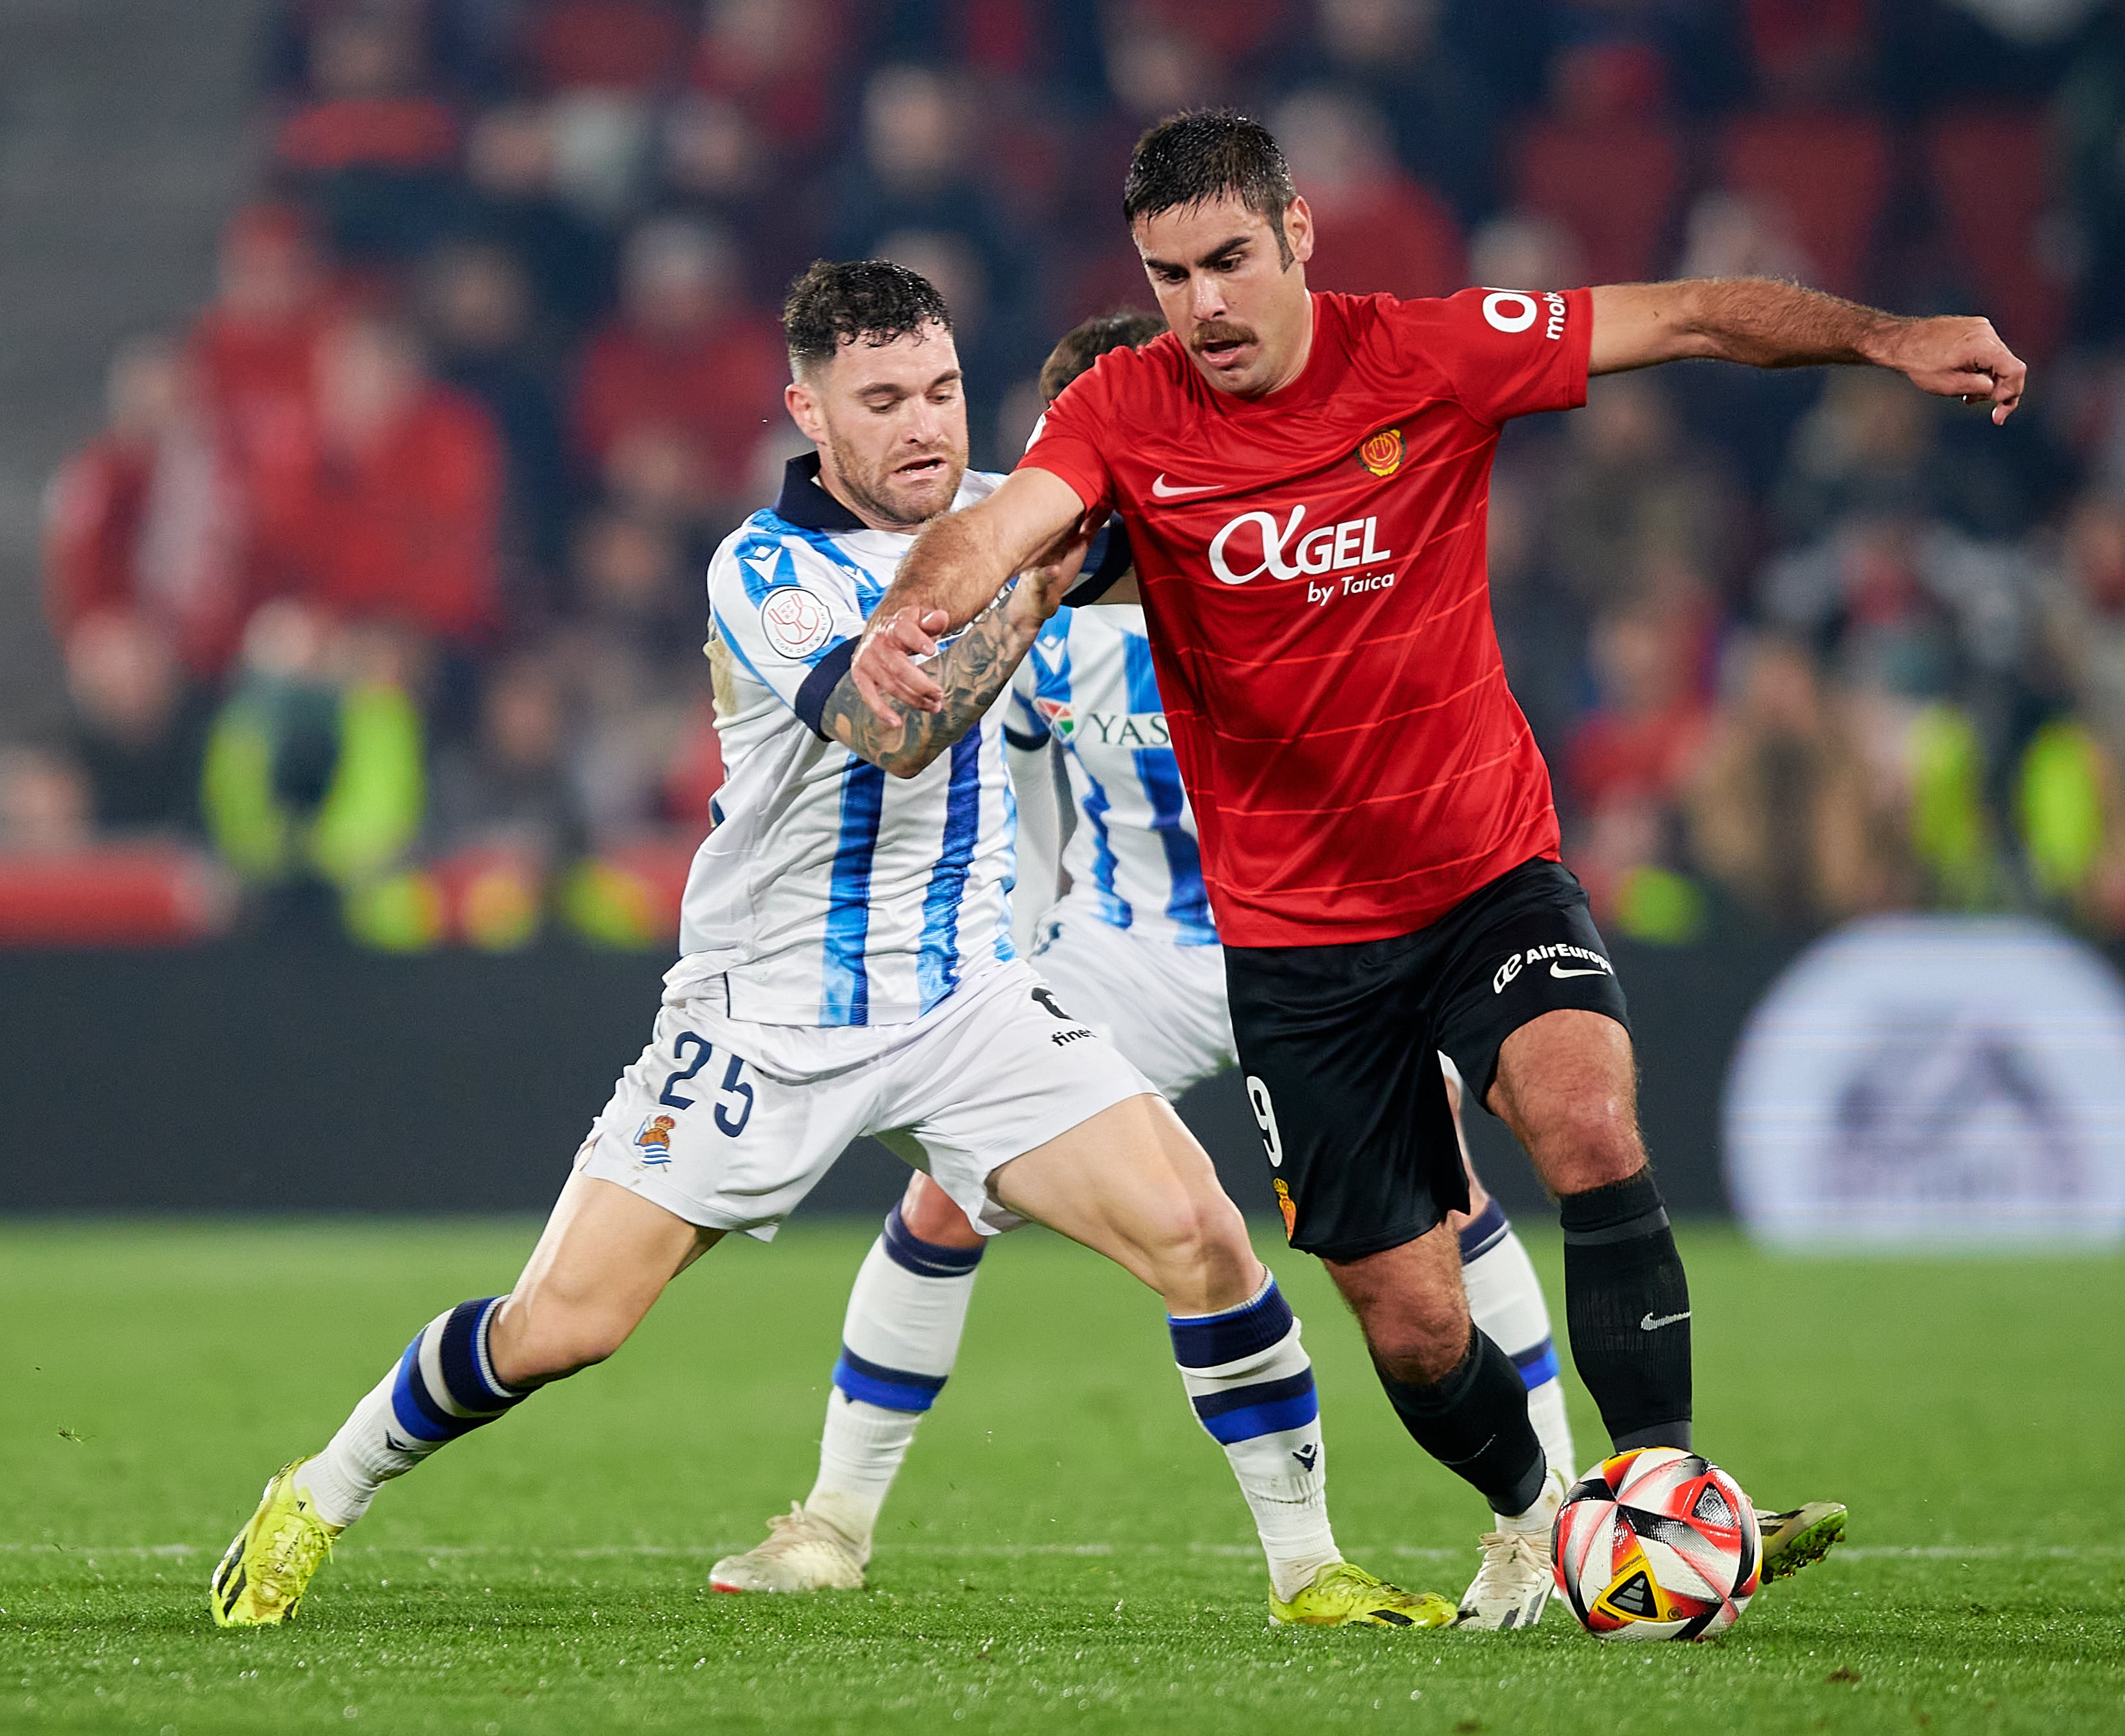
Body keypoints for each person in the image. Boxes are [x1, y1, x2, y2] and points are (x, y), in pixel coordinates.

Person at [850, 110, 2029, 1629]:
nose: (1202, 305)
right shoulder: (1124, 412)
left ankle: (1659, 1488)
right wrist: (908, 614)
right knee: (1409, 1324)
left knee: (1583, 1112)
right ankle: (1538, 1516)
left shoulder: (1426, 350)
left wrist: (1888, 338)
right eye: (1167, 275)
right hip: (1292, 941)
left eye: (1227, 261)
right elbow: (992, 535)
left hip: (1480, 866)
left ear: (1296, 239)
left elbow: (1687, 313)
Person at [208, 260, 1449, 1633]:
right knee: (562, 1325)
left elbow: (1214, 554)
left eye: (940, 391)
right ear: (810, 411)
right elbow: (896, 729)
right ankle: (320, 1488)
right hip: (768, 1019)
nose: (924, 426)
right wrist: (1036, 593)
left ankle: (1306, 1571)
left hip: (969, 1002)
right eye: (882, 401)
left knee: (1206, 1240)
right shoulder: (766, 568)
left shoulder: (1004, 512)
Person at [708, 311, 1576, 1599]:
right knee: (949, 1195)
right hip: (1128, 952)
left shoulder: (1255, 574)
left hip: (1301, 934)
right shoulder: (1026, 613)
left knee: (1438, 1189)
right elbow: (1011, 810)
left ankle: (1560, 1511)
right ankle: (831, 1518)